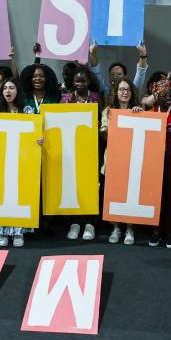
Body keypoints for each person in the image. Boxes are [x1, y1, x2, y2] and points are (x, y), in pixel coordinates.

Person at [60, 65, 103, 241]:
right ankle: (75, 223)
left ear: (89, 81)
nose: (80, 83)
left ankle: (90, 223)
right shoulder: (66, 99)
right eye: (77, 80)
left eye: (83, 80)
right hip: (71, 148)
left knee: (91, 186)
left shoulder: (96, 98)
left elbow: (101, 121)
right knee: (74, 185)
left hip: (92, 148)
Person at [0, 78, 33, 247]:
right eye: (5, 88)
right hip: (1, 160)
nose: (8, 91)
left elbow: (33, 134)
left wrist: (39, 140)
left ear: (18, 91)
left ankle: (19, 232)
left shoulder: (27, 111)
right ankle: (2, 232)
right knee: (1, 194)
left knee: (20, 194)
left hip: (21, 159)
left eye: (11, 88)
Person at [102, 78, 143, 246]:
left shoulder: (138, 110)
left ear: (132, 92)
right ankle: (116, 228)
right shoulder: (108, 111)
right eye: (121, 89)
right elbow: (105, 136)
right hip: (113, 159)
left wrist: (138, 115)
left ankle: (130, 229)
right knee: (114, 195)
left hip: (133, 160)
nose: (124, 92)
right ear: (115, 92)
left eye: (127, 89)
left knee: (131, 195)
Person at [147, 77, 171, 248]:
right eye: (164, 94)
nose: (168, 97)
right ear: (156, 96)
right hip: (154, 162)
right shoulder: (150, 113)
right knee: (155, 195)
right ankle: (156, 231)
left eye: (170, 94)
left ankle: (170, 231)